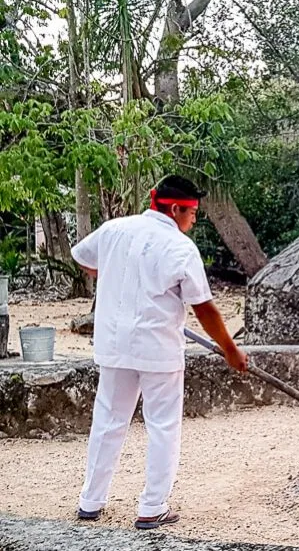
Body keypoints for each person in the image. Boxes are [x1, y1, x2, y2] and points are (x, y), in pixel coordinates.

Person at [71, 174, 249, 529]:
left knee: (107, 422)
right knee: (163, 427)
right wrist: (230, 350)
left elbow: (82, 257)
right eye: (193, 213)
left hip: (115, 345)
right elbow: (205, 309)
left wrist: (112, 275)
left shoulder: (114, 230)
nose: (194, 220)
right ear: (175, 208)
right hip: (158, 351)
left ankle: (90, 501)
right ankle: (152, 507)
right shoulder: (180, 248)